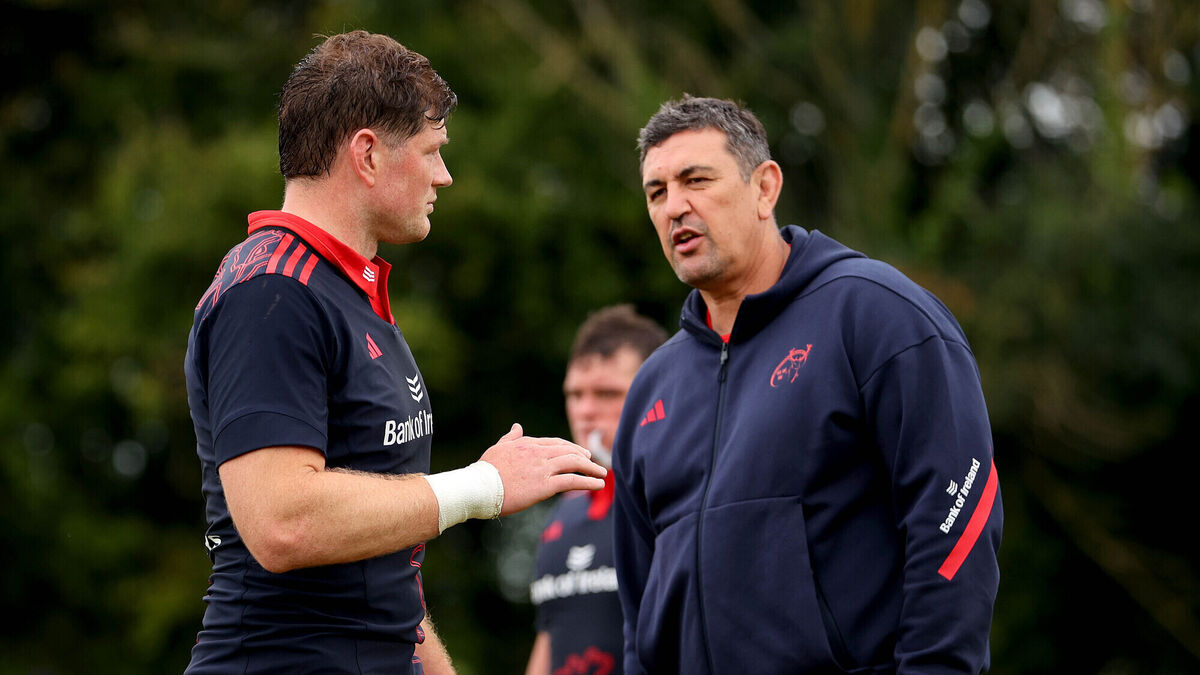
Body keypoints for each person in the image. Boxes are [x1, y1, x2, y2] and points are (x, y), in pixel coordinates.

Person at [183, 31, 606, 675]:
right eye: (432, 151)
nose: (445, 175)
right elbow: (281, 523)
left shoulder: (350, 292)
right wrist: (485, 485)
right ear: (368, 154)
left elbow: (385, 575)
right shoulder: (272, 290)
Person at [611, 95, 1003, 674]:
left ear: (765, 188)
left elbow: (957, 521)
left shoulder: (876, 315)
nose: (675, 207)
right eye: (656, 192)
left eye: (697, 180)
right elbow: (639, 614)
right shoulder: (651, 389)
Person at [524, 306, 668, 675]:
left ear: (657, 393)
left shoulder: (673, 502)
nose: (586, 411)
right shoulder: (563, 514)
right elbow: (549, 637)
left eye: (606, 393)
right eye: (575, 394)